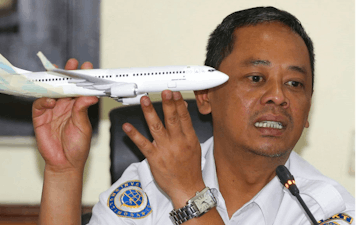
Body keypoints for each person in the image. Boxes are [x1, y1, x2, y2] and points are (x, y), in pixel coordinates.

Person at [33, 6, 356, 225]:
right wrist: (64, 173)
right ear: (205, 96)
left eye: (295, 84)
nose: (278, 96)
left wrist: (189, 194)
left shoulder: (325, 209)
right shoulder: (147, 185)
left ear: (308, 109)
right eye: (256, 78)